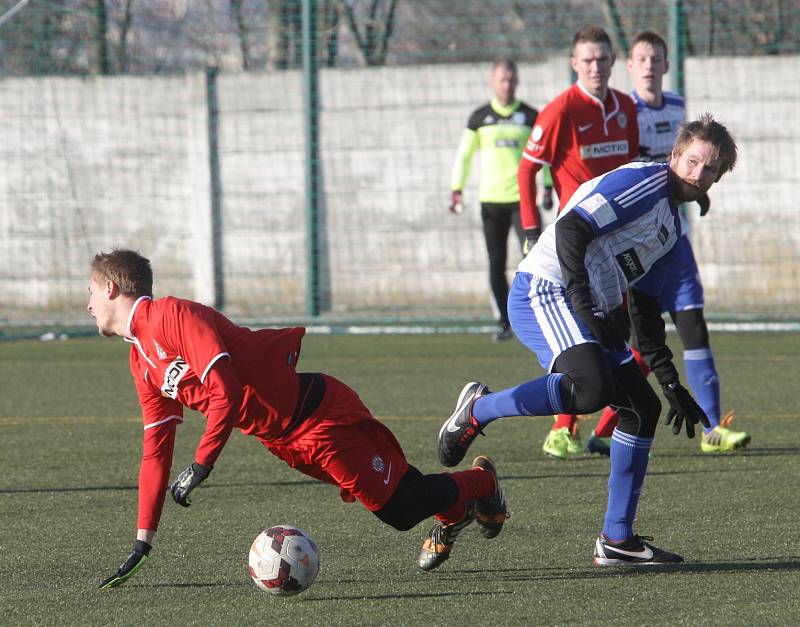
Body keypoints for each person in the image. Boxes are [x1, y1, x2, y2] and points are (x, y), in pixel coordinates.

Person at [90, 251, 508, 588]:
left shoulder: (171, 315)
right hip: (286, 440)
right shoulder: (140, 361)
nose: (88, 305)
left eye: (90, 292)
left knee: (397, 510)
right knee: (399, 487)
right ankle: (457, 510)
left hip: (319, 417)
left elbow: (226, 390)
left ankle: (483, 484)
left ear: (111, 287)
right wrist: (142, 540)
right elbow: (155, 453)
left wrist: (203, 462)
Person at [438, 114, 738, 564]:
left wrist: (671, 382)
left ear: (719, 176)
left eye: (709, 168)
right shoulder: (644, 182)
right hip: (545, 288)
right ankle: (477, 409)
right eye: (692, 161)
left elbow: (645, 309)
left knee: (643, 409)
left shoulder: (671, 228)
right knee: (591, 389)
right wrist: (582, 304)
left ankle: (616, 539)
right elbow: (572, 228)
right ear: (674, 156)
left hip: (586, 305)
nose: (698, 174)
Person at [586, 31, 751, 456]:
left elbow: (695, 162)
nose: (648, 65)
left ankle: (714, 428)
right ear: (630, 65)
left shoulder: (678, 106)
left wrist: (701, 188)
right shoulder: (624, 110)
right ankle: (592, 427)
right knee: (642, 340)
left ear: (665, 64)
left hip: (671, 233)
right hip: (640, 237)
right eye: (641, 57)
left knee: (692, 322)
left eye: (655, 57)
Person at [517, 26, 640, 459]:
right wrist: (532, 230)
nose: (596, 67)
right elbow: (526, 170)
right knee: (585, 341)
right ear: (574, 63)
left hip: (620, 243)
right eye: (587, 60)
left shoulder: (625, 107)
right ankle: (561, 428)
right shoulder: (559, 111)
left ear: (612, 62)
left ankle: (602, 431)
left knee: (624, 339)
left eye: (603, 59)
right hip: (578, 245)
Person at [449, 58, 552, 341]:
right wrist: (456, 188)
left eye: (511, 80)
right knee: (496, 262)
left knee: (534, 260)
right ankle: (504, 323)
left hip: (524, 202)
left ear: (517, 82)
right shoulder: (479, 118)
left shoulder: (531, 116)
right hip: (491, 202)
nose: (507, 85)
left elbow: (543, 156)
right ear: (492, 83)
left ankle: (539, 317)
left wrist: (546, 187)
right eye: (502, 80)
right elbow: (464, 155)